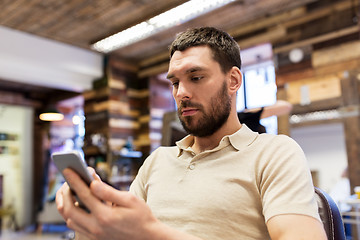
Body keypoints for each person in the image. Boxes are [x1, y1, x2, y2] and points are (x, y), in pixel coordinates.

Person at [55, 27, 326, 240]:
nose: (180, 93)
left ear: (233, 81)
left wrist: (151, 234)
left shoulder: (275, 154)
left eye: (195, 77)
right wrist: (89, 221)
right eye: (174, 82)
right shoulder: (157, 161)